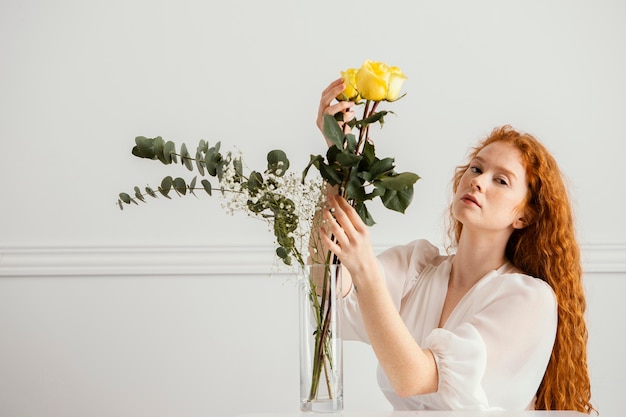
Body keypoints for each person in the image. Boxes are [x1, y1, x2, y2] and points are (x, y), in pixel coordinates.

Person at [313, 78, 594, 412]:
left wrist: (366, 273)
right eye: (476, 168)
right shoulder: (417, 266)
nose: (477, 180)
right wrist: (340, 159)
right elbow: (326, 292)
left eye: (500, 180)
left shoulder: (528, 299)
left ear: (525, 216)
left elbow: (413, 379)